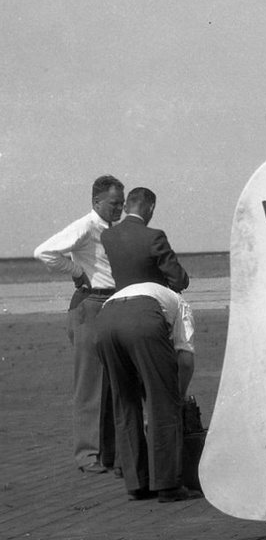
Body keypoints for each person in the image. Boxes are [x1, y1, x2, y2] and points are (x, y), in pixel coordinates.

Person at [34, 175, 124, 473]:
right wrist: (74, 271)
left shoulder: (114, 228)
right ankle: (87, 455)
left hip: (112, 303)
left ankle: (107, 454)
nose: (119, 208)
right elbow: (44, 251)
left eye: (122, 203)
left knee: (113, 382)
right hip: (90, 304)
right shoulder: (85, 226)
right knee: (90, 383)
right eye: (114, 203)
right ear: (97, 201)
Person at [95, 282, 199, 501]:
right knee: (163, 403)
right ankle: (168, 484)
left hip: (105, 320)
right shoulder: (182, 306)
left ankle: (137, 483)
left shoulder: (151, 292)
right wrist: (178, 396)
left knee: (124, 402)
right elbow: (186, 359)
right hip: (143, 319)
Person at [101, 187, 190, 293]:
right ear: (151, 208)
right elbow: (179, 279)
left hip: (120, 298)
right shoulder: (155, 236)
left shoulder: (107, 235)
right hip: (150, 301)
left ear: (125, 208)